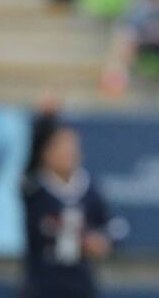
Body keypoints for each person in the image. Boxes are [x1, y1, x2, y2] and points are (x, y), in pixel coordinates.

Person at [20, 107, 112, 298]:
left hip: (81, 283)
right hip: (41, 285)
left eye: (72, 146)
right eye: (60, 146)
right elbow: (30, 158)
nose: (68, 152)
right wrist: (46, 118)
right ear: (45, 152)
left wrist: (100, 242)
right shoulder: (35, 188)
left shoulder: (88, 188)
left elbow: (111, 227)